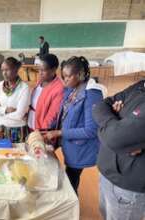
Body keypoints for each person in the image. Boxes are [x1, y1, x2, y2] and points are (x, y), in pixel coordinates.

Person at [43, 56, 104, 193]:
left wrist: (59, 132)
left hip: (79, 148)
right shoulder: (71, 90)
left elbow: (90, 130)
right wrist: (49, 128)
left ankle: (72, 209)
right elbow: (63, 113)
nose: (64, 81)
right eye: (63, 77)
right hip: (69, 143)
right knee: (66, 176)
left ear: (80, 75)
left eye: (67, 77)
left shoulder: (92, 95)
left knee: (71, 183)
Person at [92, 81, 145, 220]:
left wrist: (115, 116)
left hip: (127, 187)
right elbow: (101, 105)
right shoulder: (141, 85)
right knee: (104, 214)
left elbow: (114, 138)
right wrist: (116, 124)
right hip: (106, 172)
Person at [0, 57, 31, 143]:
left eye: (7, 70)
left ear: (16, 70)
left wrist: (0, 113)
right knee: (2, 154)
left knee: (17, 155)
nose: (4, 73)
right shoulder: (0, 85)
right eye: (2, 70)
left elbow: (19, 115)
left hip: (17, 130)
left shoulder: (24, 88)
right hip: (2, 129)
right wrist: (6, 110)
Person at [27, 54, 64, 132]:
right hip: (31, 124)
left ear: (53, 70)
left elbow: (52, 116)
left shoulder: (59, 89)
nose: (40, 73)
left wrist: (42, 132)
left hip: (42, 130)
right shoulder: (41, 81)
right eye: (39, 69)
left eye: (43, 70)